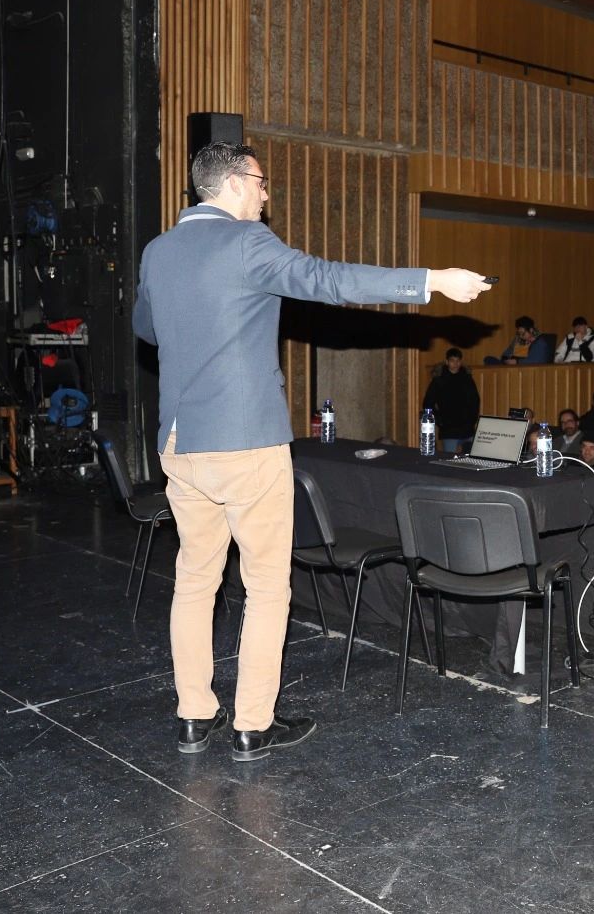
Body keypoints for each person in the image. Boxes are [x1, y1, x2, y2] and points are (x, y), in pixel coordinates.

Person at [133, 141, 491, 760]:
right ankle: (253, 723)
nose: (266, 195)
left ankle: (194, 714)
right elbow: (328, 279)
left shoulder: (158, 251)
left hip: (180, 444)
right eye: (261, 183)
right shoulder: (246, 242)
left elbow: (147, 328)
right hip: (246, 443)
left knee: (194, 582)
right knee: (267, 586)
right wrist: (432, 281)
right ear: (236, 183)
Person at [421, 347, 479, 454]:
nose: (455, 364)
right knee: (449, 459)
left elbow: (475, 401)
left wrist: (472, 420)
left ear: (461, 362)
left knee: (470, 459)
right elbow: (428, 404)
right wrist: (440, 421)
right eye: (452, 360)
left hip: (467, 428)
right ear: (447, 362)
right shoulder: (438, 380)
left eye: (458, 361)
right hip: (449, 430)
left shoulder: (467, 379)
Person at [487, 315, 552, 365]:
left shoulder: (540, 342)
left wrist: (517, 362)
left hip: (525, 368)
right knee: (488, 359)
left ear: (531, 330)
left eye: (523, 333)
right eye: (519, 333)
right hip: (514, 366)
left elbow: (535, 361)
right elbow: (507, 353)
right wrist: (505, 359)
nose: (520, 336)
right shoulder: (519, 340)